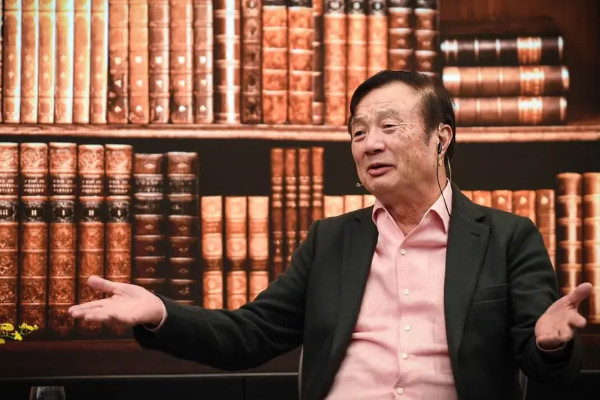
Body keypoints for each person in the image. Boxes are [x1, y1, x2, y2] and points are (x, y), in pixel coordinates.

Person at [69, 70, 591, 400]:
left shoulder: (507, 237)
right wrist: (160, 313)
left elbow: (548, 369)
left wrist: (549, 345)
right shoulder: (331, 241)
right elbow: (251, 335)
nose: (369, 144)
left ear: (441, 139)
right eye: (358, 132)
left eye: (389, 127)